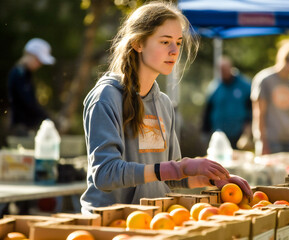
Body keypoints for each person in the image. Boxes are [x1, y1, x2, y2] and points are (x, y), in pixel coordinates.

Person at [80, 2, 252, 215]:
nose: (174, 51)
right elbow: (105, 174)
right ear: (138, 43)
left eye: (178, 43)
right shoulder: (105, 98)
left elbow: (166, 178)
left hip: (154, 221)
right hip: (109, 223)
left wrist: (212, 179)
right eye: (165, 42)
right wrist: (178, 168)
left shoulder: (163, 103)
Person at [251, 40, 289, 155]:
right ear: (285, 58)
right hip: (271, 141)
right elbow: (259, 113)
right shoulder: (265, 79)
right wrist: (262, 142)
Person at [7, 38, 55, 136]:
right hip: (20, 128)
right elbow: (28, 103)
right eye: (38, 60)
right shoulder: (19, 74)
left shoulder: (26, 74)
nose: (39, 65)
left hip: (26, 127)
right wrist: (47, 118)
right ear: (30, 55)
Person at [202, 56, 252, 149]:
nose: (223, 72)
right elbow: (208, 109)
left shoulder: (245, 85)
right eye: (220, 70)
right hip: (219, 133)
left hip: (239, 134)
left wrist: (248, 132)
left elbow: (251, 109)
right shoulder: (214, 87)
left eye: (225, 69)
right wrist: (205, 131)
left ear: (231, 67)